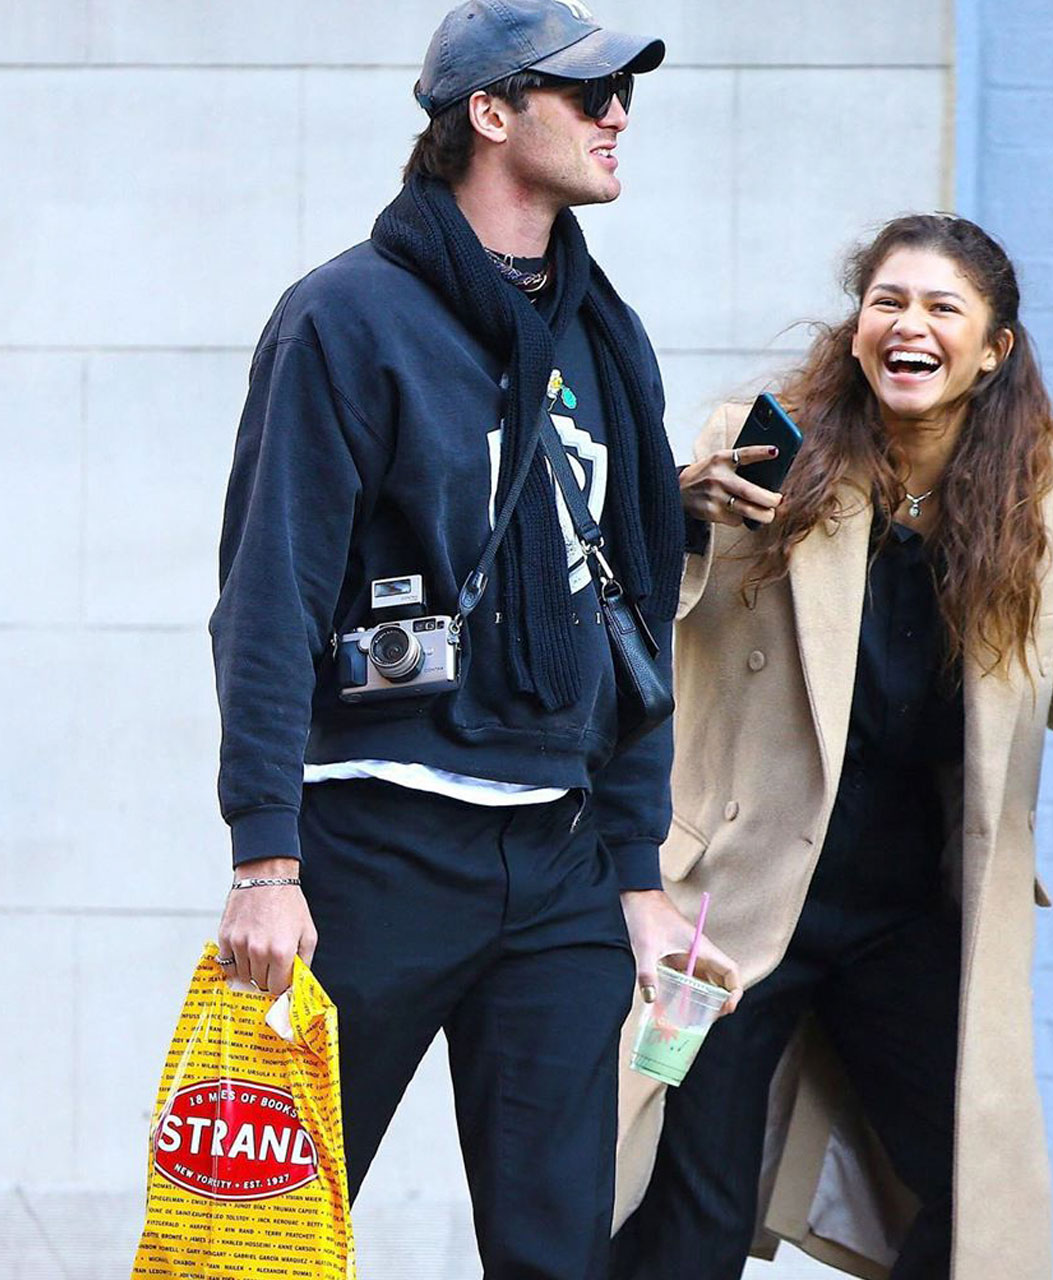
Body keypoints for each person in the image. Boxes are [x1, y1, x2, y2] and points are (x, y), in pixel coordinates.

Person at [209, 2, 739, 1276]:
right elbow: (268, 595)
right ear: (487, 114)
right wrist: (264, 858)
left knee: (559, 1244)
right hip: (375, 851)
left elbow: (626, 619)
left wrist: (636, 878)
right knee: (262, 1232)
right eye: (585, 92)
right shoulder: (346, 318)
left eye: (625, 91)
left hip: (554, 861)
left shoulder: (601, 335)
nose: (618, 113)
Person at [609, 214, 1053, 1280]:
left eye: (943, 308)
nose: (908, 325)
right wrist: (671, 515)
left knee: (969, 1198)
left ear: (992, 348)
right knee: (687, 1214)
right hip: (747, 891)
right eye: (887, 301)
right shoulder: (768, 438)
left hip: (916, 901)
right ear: (857, 328)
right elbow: (649, 625)